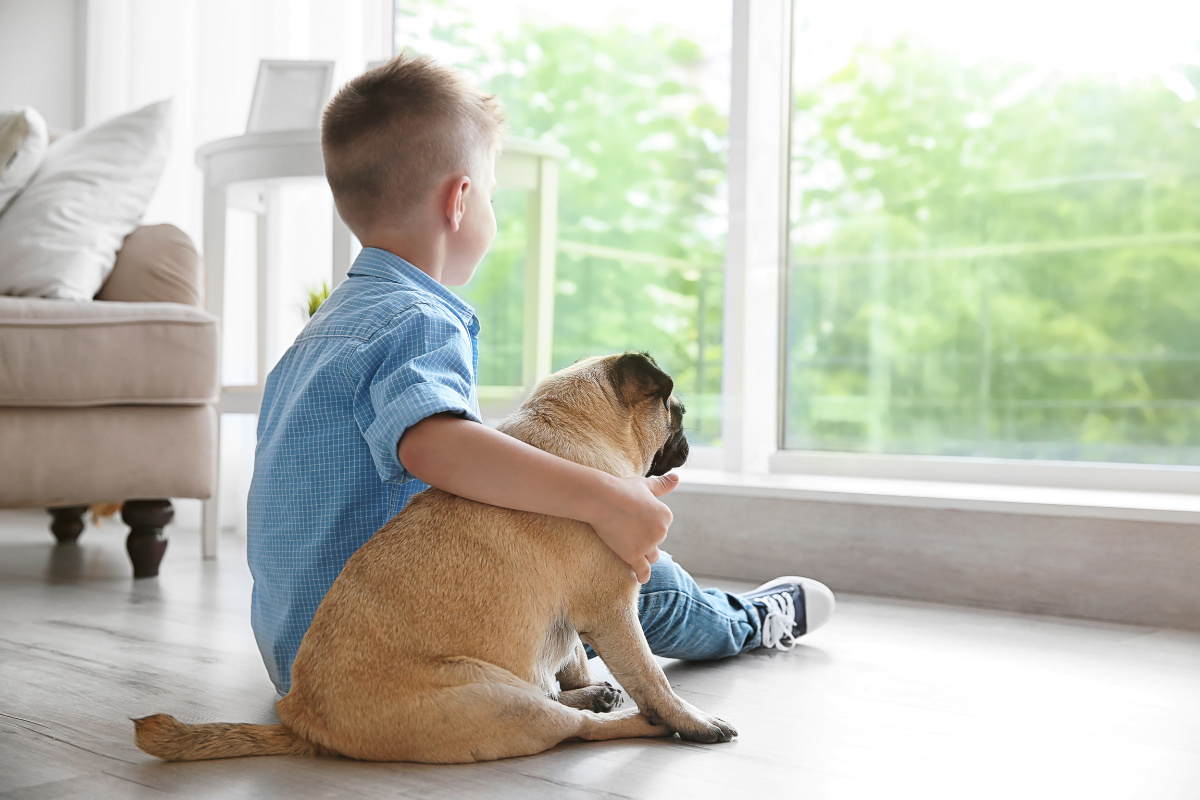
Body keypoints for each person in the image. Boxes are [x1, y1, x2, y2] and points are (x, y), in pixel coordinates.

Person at [247, 53, 836, 696]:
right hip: (383, 651)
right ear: (460, 200)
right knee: (623, 568)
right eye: (492, 196)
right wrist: (607, 498)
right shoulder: (417, 320)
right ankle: (744, 622)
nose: (492, 215)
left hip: (298, 652)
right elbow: (437, 447)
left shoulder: (325, 332)